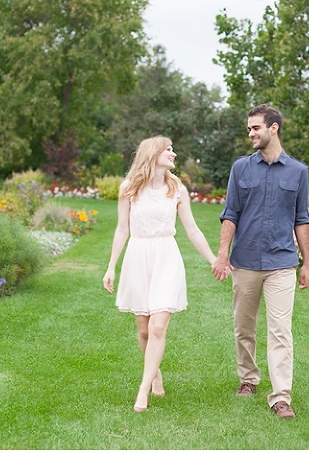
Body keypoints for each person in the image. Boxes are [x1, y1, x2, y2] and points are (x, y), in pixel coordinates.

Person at [103, 136, 218, 413]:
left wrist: (214, 259)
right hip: (138, 256)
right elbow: (122, 229)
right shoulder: (129, 188)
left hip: (167, 256)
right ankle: (154, 374)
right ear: (153, 154)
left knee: (157, 326)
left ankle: (142, 391)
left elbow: (192, 229)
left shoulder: (177, 188)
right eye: (169, 150)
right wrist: (111, 266)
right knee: (143, 328)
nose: (174, 154)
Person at [211, 104, 309, 419]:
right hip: (246, 262)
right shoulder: (241, 169)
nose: (251, 133)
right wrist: (222, 253)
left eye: (255, 127)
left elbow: (302, 219)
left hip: (282, 262)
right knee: (244, 327)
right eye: (249, 129)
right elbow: (231, 215)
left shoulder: (298, 171)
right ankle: (248, 378)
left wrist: (307, 262)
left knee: (281, 331)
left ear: (274, 128)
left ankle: (281, 397)